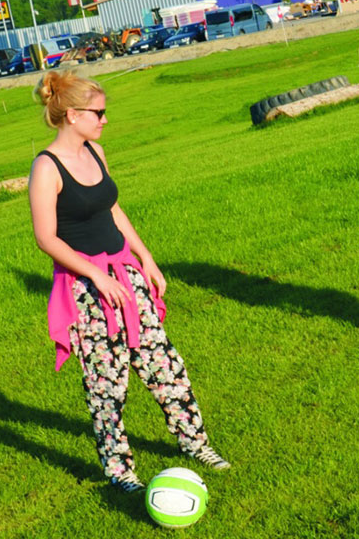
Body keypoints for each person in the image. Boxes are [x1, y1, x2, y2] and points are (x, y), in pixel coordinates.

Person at [28, 70, 229, 492]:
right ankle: (120, 472)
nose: (104, 120)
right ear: (71, 114)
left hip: (125, 276)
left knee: (164, 365)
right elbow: (46, 237)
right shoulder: (46, 167)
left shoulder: (97, 153)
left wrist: (145, 256)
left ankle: (195, 444)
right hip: (88, 288)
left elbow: (112, 210)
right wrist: (97, 277)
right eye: (98, 113)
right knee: (107, 382)